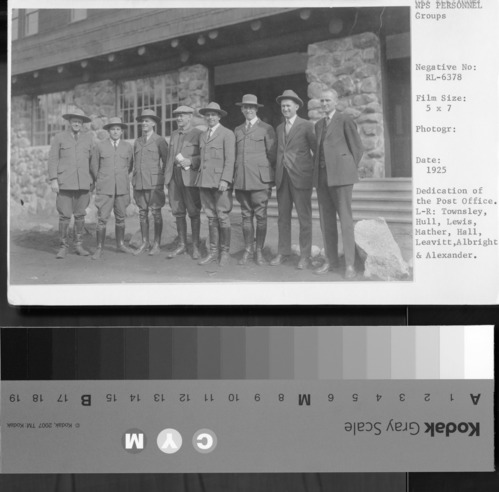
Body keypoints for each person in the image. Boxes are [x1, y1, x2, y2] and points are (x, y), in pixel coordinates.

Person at [313, 89, 364, 279]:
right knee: (326, 222)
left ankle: (350, 264)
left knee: (345, 220)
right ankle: (331, 261)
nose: (324, 104)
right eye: (322, 100)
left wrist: (346, 169)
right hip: (323, 178)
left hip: (341, 178)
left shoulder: (344, 119)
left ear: (335, 102)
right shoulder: (318, 124)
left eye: (327, 100)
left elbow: (357, 148)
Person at [270, 90, 316, 270]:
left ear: (296, 107)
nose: (285, 108)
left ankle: (305, 255)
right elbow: (276, 152)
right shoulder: (279, 128)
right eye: (283, 106)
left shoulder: (306, 125)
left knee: (304, 218)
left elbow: (315, 150)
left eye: (288, 105)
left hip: (301, 178)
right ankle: (283, 252)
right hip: (283, 178)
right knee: (283, 218)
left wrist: (308, 172)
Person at [233, 94, 276, 265]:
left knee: (260, 216)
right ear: (242, 109)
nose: (248, 110)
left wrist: (263, 170)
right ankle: (248, 250)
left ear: (256, 109)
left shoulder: (266, 128)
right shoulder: (237, 130)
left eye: (251, 107)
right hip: (242, 179)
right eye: (245, 107)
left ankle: (259, 251)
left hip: (259, 180)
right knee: (245, 216)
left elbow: (272, 154)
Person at [48, 107, 94, 259]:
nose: (77, 123)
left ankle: (78, 245)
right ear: (69, 122)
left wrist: (93, 180)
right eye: (74, 121)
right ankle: (63, 246)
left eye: (79, 121)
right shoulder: (59, 137)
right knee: (64, 216)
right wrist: (54, 180)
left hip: (83, 183)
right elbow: (53, 159)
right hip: (64, 183)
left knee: (80, 215)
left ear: (82, 123)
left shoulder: (88, 138)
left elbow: (92, 160)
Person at [195, 102, 235, 267]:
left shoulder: (227, 134)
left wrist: (225, 179)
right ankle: (213, 252)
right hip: (205, 181)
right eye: (208, 115)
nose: (210, 117)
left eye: (213, 115)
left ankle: (224, 252)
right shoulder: (203, 135)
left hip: (220, 182)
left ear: (219, 116)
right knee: (211, 218)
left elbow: (230, 159)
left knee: (223, 217)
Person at [90, 117, 134, 260]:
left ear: (121, 131)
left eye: (118, 129)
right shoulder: (100, 146)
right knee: (102, 218)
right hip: (105, 188)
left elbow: (129, 166)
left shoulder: (127, 147)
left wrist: (119, 177)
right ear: (109, 131)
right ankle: (99, 248)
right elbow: (94, 167)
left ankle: (120, 244)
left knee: (121, 217)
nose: (115, 132)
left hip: (121, 187)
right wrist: (104, 179)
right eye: (113, 129)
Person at [164, 106, 203, 260]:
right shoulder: (174, 135)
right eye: (177, 116)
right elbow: (169, 157)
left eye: (182, 116)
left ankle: (195, 246)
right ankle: (181, 245)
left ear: (190, 117)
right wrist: (167, 178)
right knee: (178, 212)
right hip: (175, 177)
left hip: (190, 178)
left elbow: (204, 155)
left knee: (193, 212)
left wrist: (191, 161)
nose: (179, 118)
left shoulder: (198, 134)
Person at [132, 109, 169, 255]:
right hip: (140, 182)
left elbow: (166, 162)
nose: (144, 123)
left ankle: (156, 244)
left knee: (156, 213)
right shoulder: (137, 141)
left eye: (147, 121)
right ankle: (145, 242)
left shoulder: (159, 140)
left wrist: (164, 180)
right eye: (142, 121)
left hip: (154, 183)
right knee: (142, 213)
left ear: (153, 123)